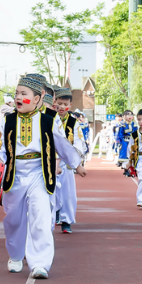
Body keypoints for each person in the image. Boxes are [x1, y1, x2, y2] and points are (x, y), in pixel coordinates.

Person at [0, 75, 86, 279]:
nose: (18, 97)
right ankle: (16, 256)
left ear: (37, 98)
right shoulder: (7, 120)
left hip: (39, 173)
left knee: (41, 217)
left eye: (24, 94)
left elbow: (62, 144)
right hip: (15, 173)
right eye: (17, 93)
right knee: (13, 220)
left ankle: (40, 263)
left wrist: (76, 164)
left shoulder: (49, 119)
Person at [51, 87, 87, 232]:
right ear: (54, 103)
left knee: (68, 193)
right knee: (51, 192)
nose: (62, 107)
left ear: (70, 105)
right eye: (59, 103)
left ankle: (66, 220)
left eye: (66, 104)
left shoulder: (74, 122)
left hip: (66, 163)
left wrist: (75, 160)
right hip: (51, 161)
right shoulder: (49, 118)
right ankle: (54, 216)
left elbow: (79, 141)